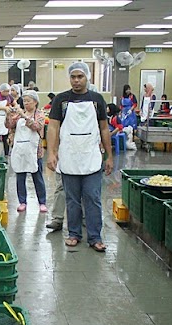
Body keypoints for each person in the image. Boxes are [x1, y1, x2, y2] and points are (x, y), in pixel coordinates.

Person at [46, 62, 113, 252]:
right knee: (72, 199)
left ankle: (95, 237)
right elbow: (53, 127)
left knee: (93, 197)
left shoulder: (97, 99)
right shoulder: (61, 100)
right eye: (73, 77)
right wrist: (51, 153)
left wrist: (109, 156)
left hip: (91, 156)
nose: (76, 80)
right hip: (69, 156)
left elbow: (104, 129)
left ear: (87, 78)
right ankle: (74, 233)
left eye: (80, 77)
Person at [7, 90, 47, 213]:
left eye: (28, 101)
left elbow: (37, 127)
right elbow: (9, 126)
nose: (26, 103)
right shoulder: (19, 114)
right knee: (20, 176)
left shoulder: (39, 114)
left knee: (37, 176)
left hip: (34, 151)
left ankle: (42, 202)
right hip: (20, 150)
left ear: (35, 102)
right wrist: (8, 115)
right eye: (24, 101)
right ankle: (22, 202)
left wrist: (24, 117)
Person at [0, 83, 14, 156]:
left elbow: (15, 104)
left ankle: (6, 153)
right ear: (1, 91)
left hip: (5, 118)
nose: (7, 93)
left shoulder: (9, 97)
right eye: (6, 91)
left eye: (8, 91)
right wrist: (4, 108)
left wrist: (13, 108)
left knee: (5, 137)